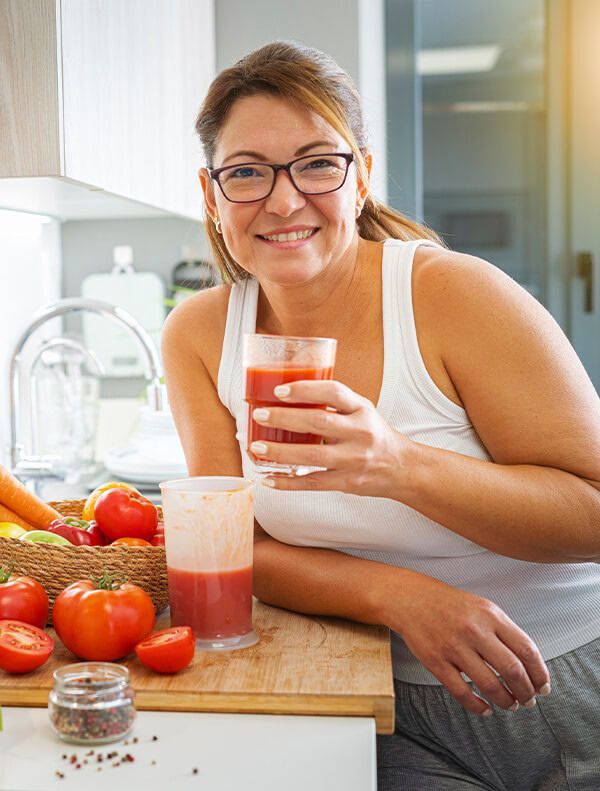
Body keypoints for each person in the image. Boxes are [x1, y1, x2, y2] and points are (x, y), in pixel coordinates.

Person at [162, 41, 600, 790]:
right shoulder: (200, 334)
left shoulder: (453, 294)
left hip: (561, 678)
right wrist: (398, 595)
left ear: (360, 175)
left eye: (316, 162)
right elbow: (238, 546)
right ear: (212, 195)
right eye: (246, 172)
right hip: (380, 699)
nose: (283, 199)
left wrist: (398, 464)